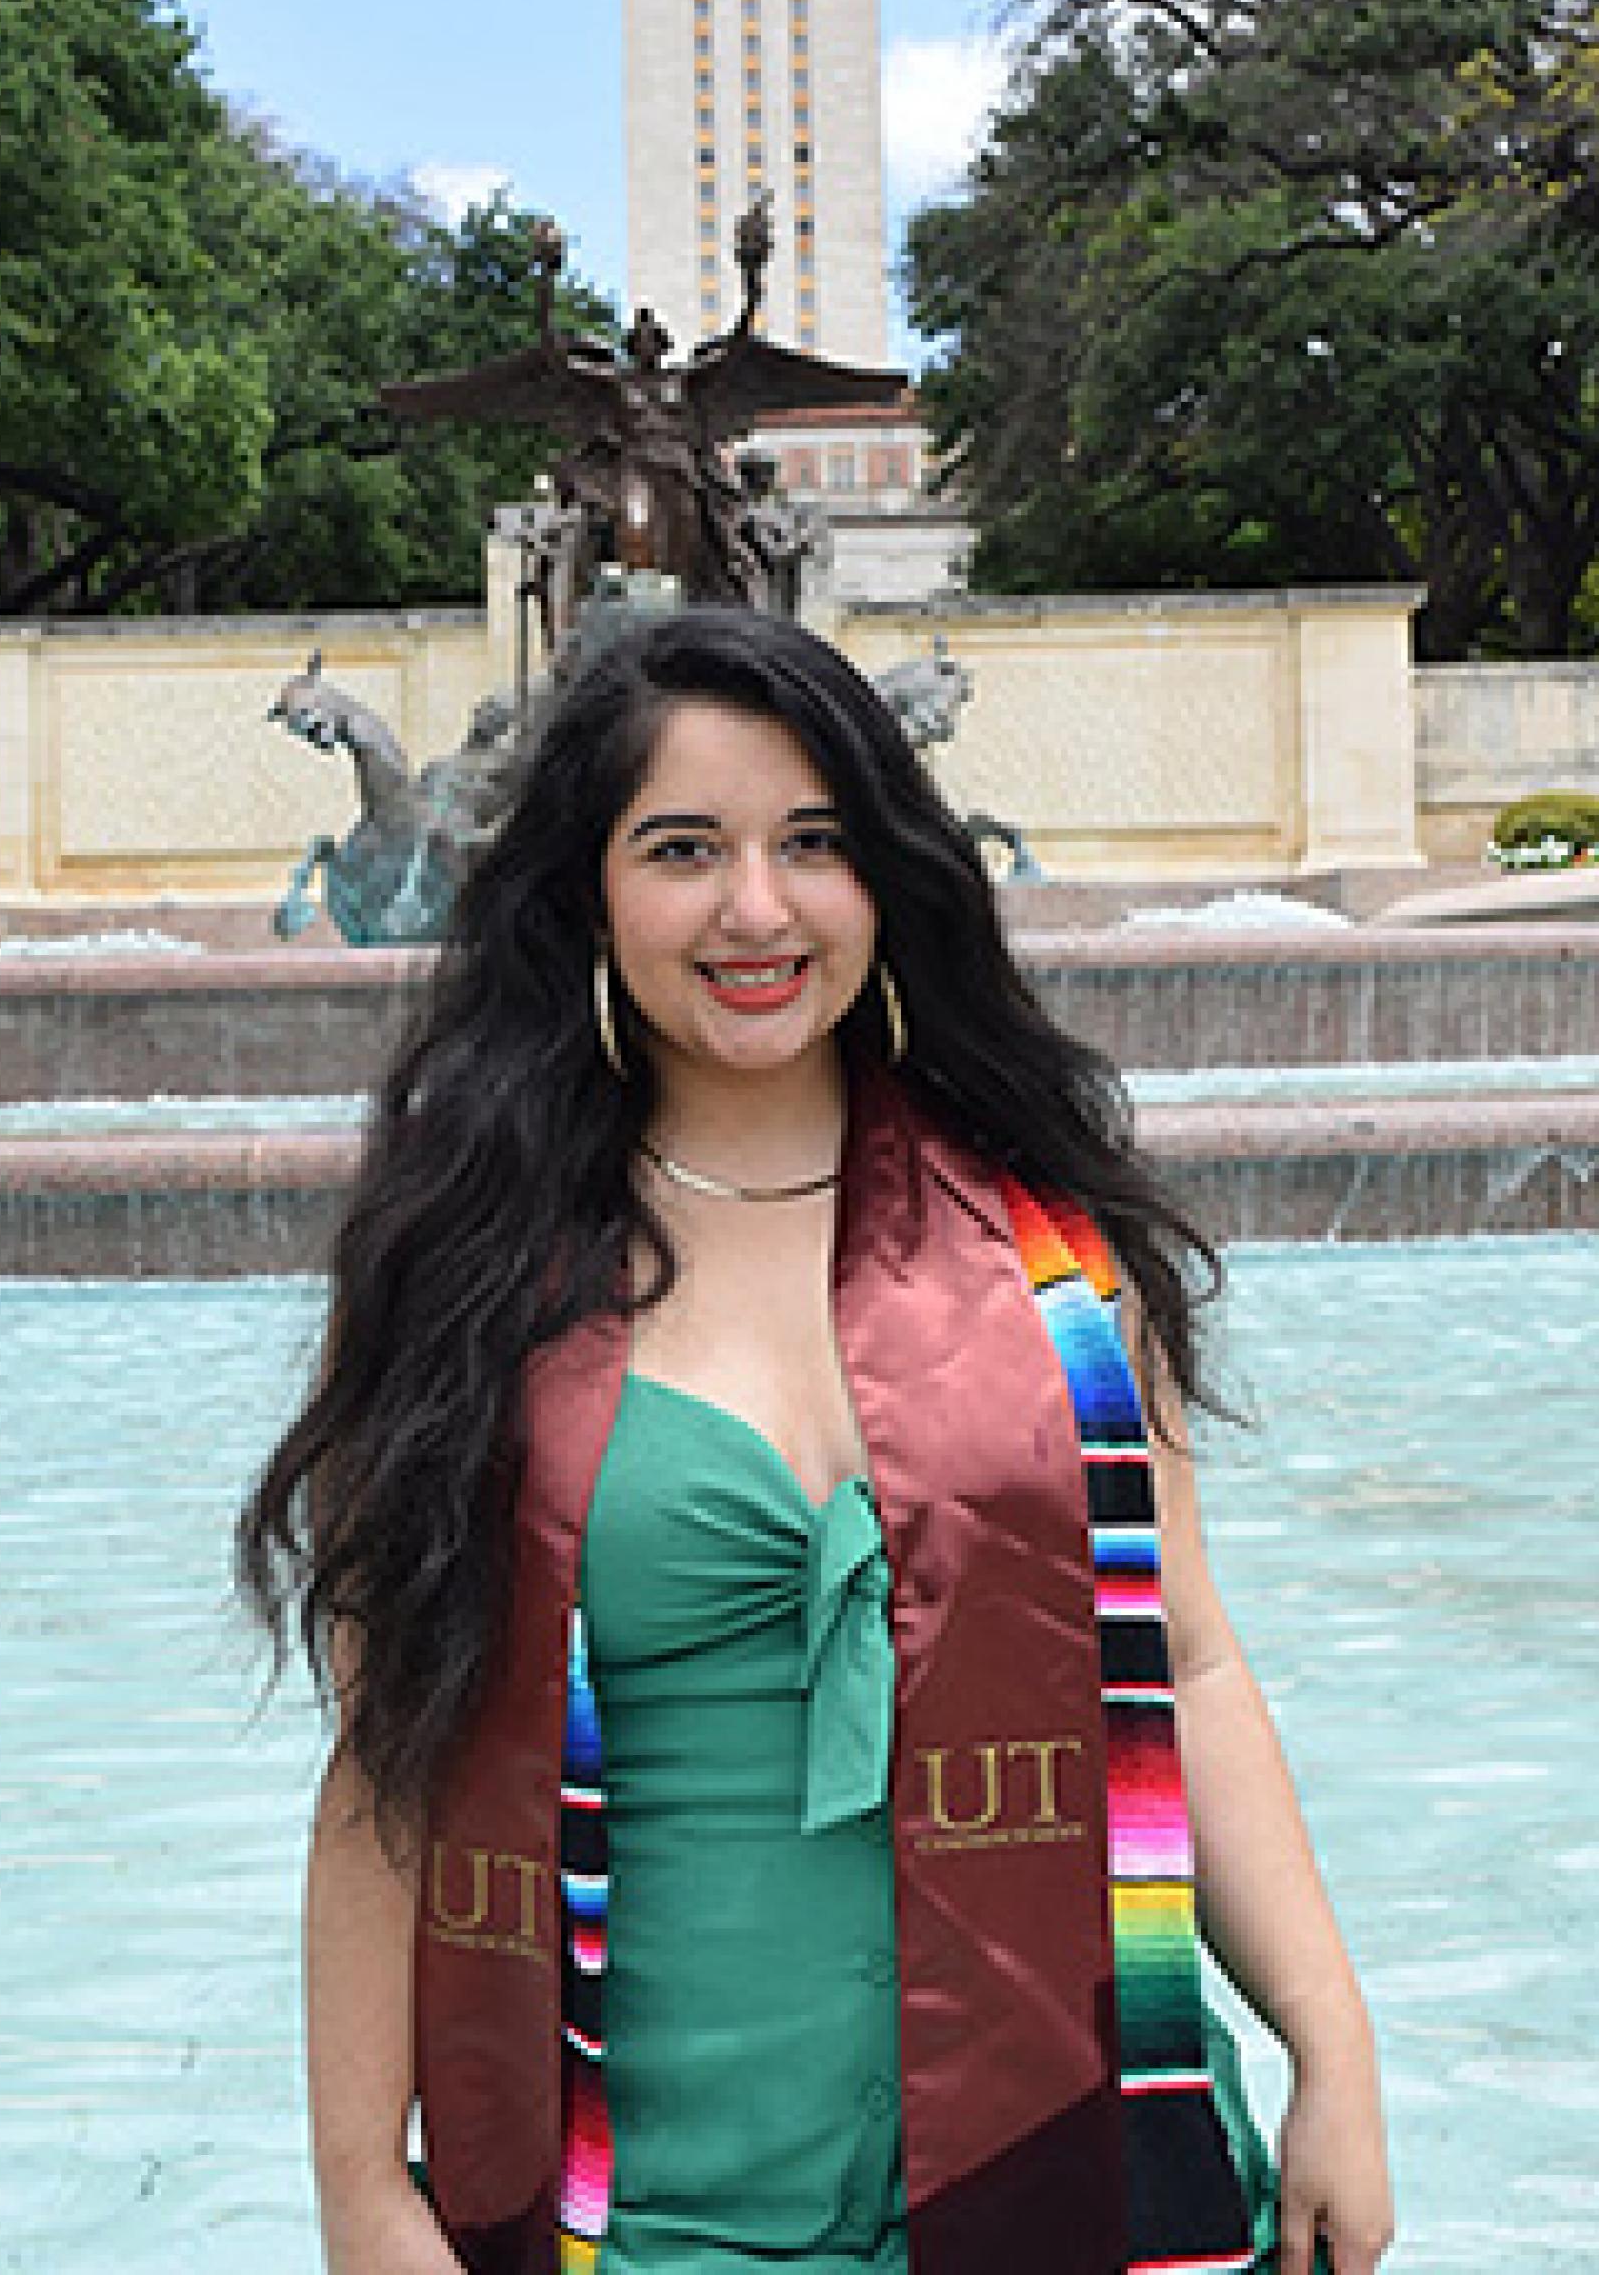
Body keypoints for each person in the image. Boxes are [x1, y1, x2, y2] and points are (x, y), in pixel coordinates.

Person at [239, 607, 1394, 2275]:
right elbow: (385, 1764)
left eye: (813, 844)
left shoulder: (1054, 1258)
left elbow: (1190, 1666)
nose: (757, 909)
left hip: (1067, 2164)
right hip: (639, 2211)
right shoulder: (462, 1285)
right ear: (589, 888)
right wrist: (364, 2188)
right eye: (685, 849)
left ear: (887, 878)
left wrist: (1330, 2042)